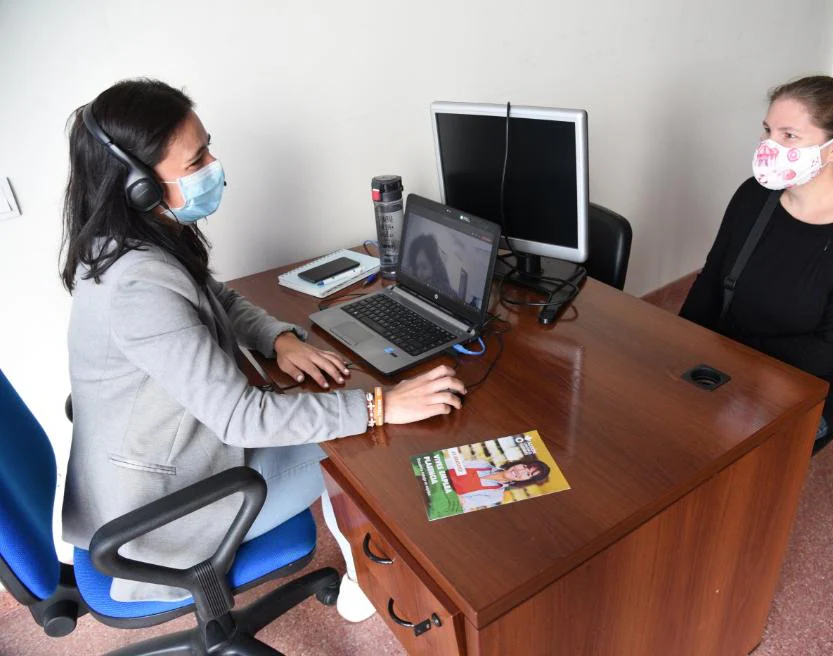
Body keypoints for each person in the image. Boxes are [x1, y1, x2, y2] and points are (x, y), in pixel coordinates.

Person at [59, 79, 466, 622]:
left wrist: (276, 337)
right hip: (160, 520)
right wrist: (381, 405)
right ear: (140, 186)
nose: (214, 163)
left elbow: (215, 298)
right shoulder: (138, 288)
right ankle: (371, 579)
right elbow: (242, 419)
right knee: (365, 450)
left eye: (209, 146)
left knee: (340, 424)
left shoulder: (125, 241)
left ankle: (364, 560)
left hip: (152, 473)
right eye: (197, 156)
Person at [680, 75, 833, 441]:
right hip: (725, 359)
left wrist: (734, 359)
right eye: (768, 131)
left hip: (811, 381)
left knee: (722, 448)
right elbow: (711, 280)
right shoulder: (754, 195)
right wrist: (677, 347)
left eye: (789, 136)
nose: (769, 146)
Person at [445, 458, 551, 511]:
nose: (520, 471)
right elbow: (444, 464)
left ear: (526, 481)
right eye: (524, 466)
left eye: (528, 474)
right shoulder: (482, 463)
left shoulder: (495, 495)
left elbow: (461, 504)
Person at [407, 232, 455, 297]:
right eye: (416, 267)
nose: (419, 273)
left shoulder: (444, 291)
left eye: (424, 267)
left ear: (434, 265)